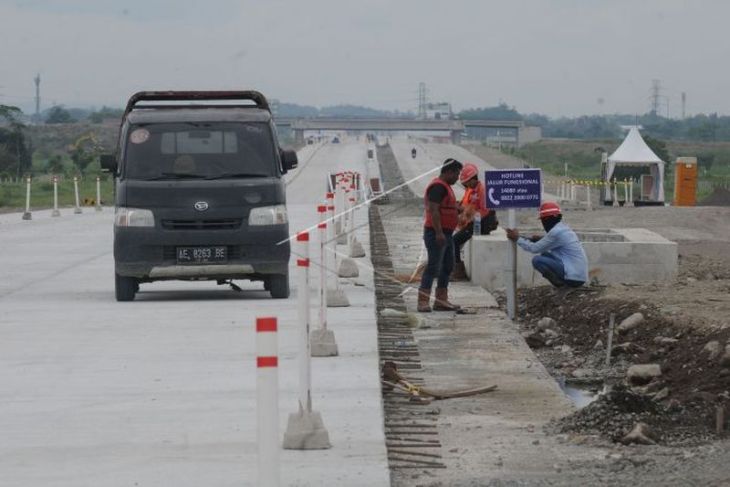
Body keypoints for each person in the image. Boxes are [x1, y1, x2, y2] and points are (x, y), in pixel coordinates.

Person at [505, 202, 588, 288]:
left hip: (573, 277)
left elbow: (533, 248)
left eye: (543, 220)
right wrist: (540, 239)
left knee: (537, 260)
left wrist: (517, 239)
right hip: (579, 275)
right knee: (545, 254)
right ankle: (563, 283)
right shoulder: (564, 228)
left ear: (547, 219)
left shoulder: (556, 232)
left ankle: (561, 285)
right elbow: (553, 241)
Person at [418, 158, 464, 312]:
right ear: (448, 172)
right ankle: (423, 301)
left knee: (447, 266)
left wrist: (455, 210)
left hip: (447, 233)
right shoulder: (438, 187)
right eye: (456, 174)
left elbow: (444, 207)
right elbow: (434, 209)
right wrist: (438, 232)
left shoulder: (445, 187)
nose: (457, 178)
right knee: (433, 266)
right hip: (437, 233)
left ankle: (441, 300)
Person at [451, 163, 498, 279]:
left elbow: (485, 211)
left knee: (454, 241)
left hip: (482, 224)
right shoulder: (471, 190)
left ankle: (458, 271)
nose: (465, 185)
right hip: (474, 222)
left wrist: (469, 216)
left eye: (466, 182)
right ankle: (455, 266)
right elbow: (466, 204)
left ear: (472, 179)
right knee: (454, 240)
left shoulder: (482, 190)